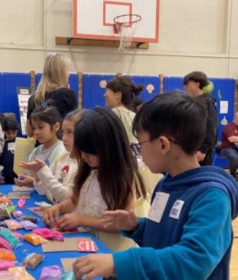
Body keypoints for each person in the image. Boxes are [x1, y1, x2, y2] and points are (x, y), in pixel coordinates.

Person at [73, 93, 238, 280]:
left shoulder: (212, 197)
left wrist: (119, 262)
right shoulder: (164, 184)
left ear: (162, 145)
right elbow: (162, 236)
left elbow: (193, 261)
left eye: (140, 145)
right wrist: (137, 226)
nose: (139, 153)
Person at [43, 109, 148, 252]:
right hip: (85, 244)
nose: (84, 157)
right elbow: (75, 201)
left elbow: (121, 225)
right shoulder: (88, 169)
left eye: (89, 152)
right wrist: (58, 208)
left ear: (108, 146)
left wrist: (81, 219)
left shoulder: (124, 178)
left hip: (110, 253)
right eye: (82, 151)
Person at [19, 109, 87, 203]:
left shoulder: (83, 165)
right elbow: (42, 190)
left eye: (69, 132)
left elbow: (66, 198)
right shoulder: (62, 157)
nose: (63, 137)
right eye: (63, 132)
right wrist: (38, 174)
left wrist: (42, 171)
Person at [26, 53, 77, 137]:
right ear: (61, 72)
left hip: (42, 148)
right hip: (62, 146)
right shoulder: (68, 95)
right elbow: (75, 128)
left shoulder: (34, 97)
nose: (69, 74)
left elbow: (30, 132)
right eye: (67, 69)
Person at [15, 106, 65, 187]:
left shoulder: (62, 151)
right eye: (34, 128)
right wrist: (26, 180)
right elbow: (32, 176)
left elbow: (59, 184)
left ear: (56, 126)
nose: (36, 132)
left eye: (40, 127)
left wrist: (33, 182)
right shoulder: (36, 151)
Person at [183, 71, 219, 165]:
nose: (185, 87)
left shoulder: (207, 101)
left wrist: (204, 150)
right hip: (191, 148)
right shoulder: (191, 102)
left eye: (187, 84)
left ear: (197, 84)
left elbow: (211, 126)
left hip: (201, 151)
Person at [104, 76, 143, 144]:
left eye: (107, 90)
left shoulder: (111, 115)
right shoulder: (134, 116)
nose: (104, 95)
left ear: (118, 94)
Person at [0, 113, 20, 184]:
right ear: (4, 132)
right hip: (5, 178)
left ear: (17, 131)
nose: (11, 135)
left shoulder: (21, 143)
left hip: (18, 176)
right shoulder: (1, 145)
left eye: (13, 132)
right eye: (9, 133)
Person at [220, 112, 238, 178]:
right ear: (236, 118)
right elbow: (231, 139)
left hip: (236, 148)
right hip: (227, 148)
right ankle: (233, 175)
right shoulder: (228, 127)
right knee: (234, 157)